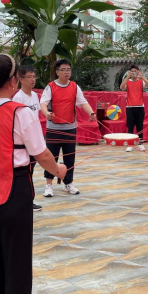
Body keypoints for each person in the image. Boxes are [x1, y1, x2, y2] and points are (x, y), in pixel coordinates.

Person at [0, 54, 66, 294]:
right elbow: (42, 154)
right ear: (13, 81)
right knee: (16, 268)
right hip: (12, 195)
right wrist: (58, 170)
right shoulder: (20, 113)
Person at [40, 59, 96, 197]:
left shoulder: (75, 87)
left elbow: (83, 102)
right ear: (57, 72)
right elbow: (43, 103)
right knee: (51, 157)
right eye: (63, 70)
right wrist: (47, 113)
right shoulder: (50, 87)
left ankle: (68, 183)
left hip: (70, 128)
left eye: (68, 70)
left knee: (69, 157)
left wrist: (91, 113)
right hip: (53, 128)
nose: (66, 72)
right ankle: (49, 185)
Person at [12, 65, 43, 212]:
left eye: (33, 76)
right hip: (24, 143)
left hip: (34, 139)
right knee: (26, 172)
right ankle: (25, 201)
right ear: (21, 79)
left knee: (30, 171)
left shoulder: (35, 96)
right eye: (29, 77)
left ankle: (28, 200)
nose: (32, 80)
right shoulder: (18, 98)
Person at [120, 64, 148, 153]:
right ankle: (130, 144)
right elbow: (121, 87)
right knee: (130, 126)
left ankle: (140, 144)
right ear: (130, 72)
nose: (133, 73)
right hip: (130, 107)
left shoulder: (141, 82)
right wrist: (127, 77)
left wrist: (142, 77)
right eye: (132, 72)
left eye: (135, 71)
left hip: (140, 107)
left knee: (139, 126)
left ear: (138, 72)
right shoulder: (128, 82)